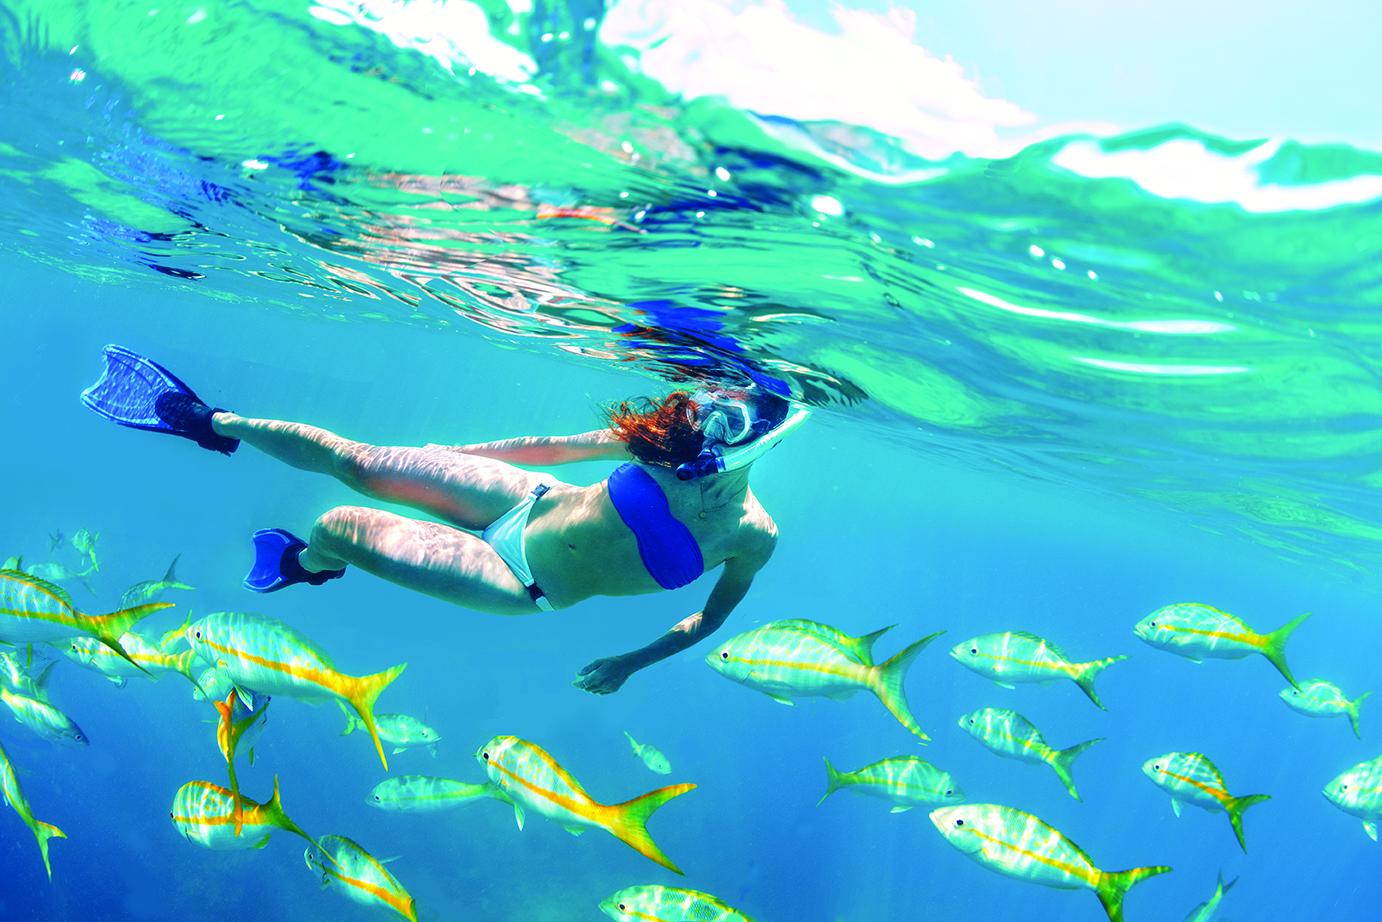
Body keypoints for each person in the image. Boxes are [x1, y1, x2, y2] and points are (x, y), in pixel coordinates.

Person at [81, 346, 806, 694]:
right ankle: (209, 421)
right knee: (359, 461)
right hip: (528, 496)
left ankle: (310, 565)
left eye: (732, 420)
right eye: (715, 406)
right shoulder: (666, 443)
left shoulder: (752, 536)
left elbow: (708, 621)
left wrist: (628, 663)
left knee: (335, 526)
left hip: (520, 580)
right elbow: (552, 449)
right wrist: (454, 456)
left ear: (766, 438)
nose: (710, 423)